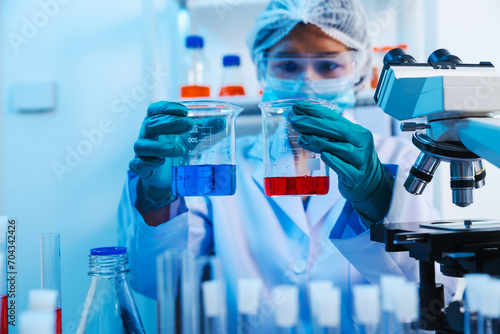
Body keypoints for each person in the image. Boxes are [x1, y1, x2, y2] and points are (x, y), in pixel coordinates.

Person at [118, 0, 451, 332]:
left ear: (360, 71)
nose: (306, 81)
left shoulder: (402, 158)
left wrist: (378, 197)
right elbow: (153, 281)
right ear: (263, 70)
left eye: (328, 65)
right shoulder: (218, 163)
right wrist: (156, 198)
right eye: (288, 66)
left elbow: (439, 293)